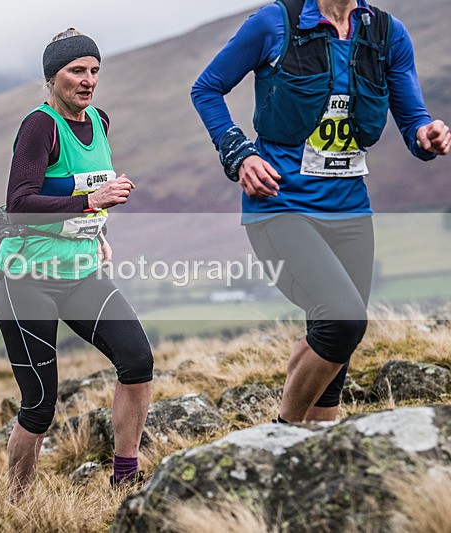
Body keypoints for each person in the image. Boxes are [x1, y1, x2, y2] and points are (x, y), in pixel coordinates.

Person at [191, 0, 450, 424]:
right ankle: (282, 436)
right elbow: (206, 88)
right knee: (343, 321)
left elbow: (413, 119)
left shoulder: (386, 33)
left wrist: (428, 135)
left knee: (334, 338)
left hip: (350, 209)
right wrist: (240, 155)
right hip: (280, 204)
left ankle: (316, 456)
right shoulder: (275, 23)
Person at [0, 28, 154, 501]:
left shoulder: (100, 122)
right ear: (52, 78)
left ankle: (125, 478)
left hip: (80, 273)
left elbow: (84, 187)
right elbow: (20, 203)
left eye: (94, 71)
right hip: (27, 279)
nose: (88, 81)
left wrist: (98, 231)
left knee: (138, 360)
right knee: (40, 404)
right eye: (76, 71)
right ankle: (16, 503)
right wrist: (91, 203)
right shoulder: (39, 126)